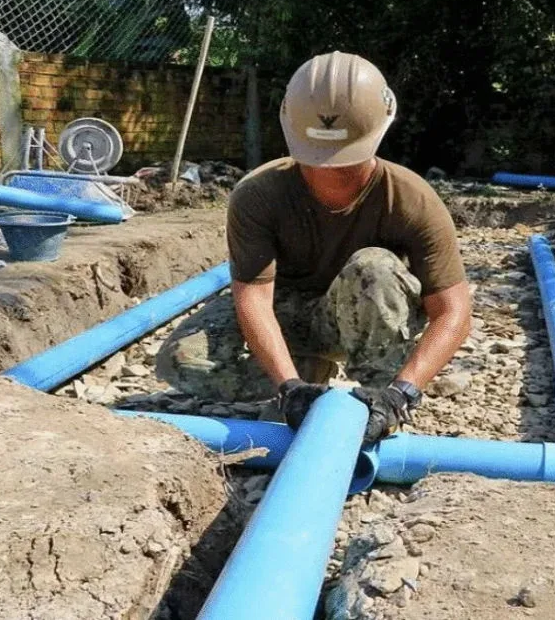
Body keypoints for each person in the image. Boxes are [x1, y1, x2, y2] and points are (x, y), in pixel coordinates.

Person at [155, 51, 473, 443]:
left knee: (374, 267)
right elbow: (254, 298)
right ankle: (304, 369)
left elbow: (453, 311)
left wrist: (400, 393)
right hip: (286, 313)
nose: (331, 171)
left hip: (359, 319)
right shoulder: (258, 195)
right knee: (180, 360)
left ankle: (375, 390)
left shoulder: (410, 199)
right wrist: (289, 388)